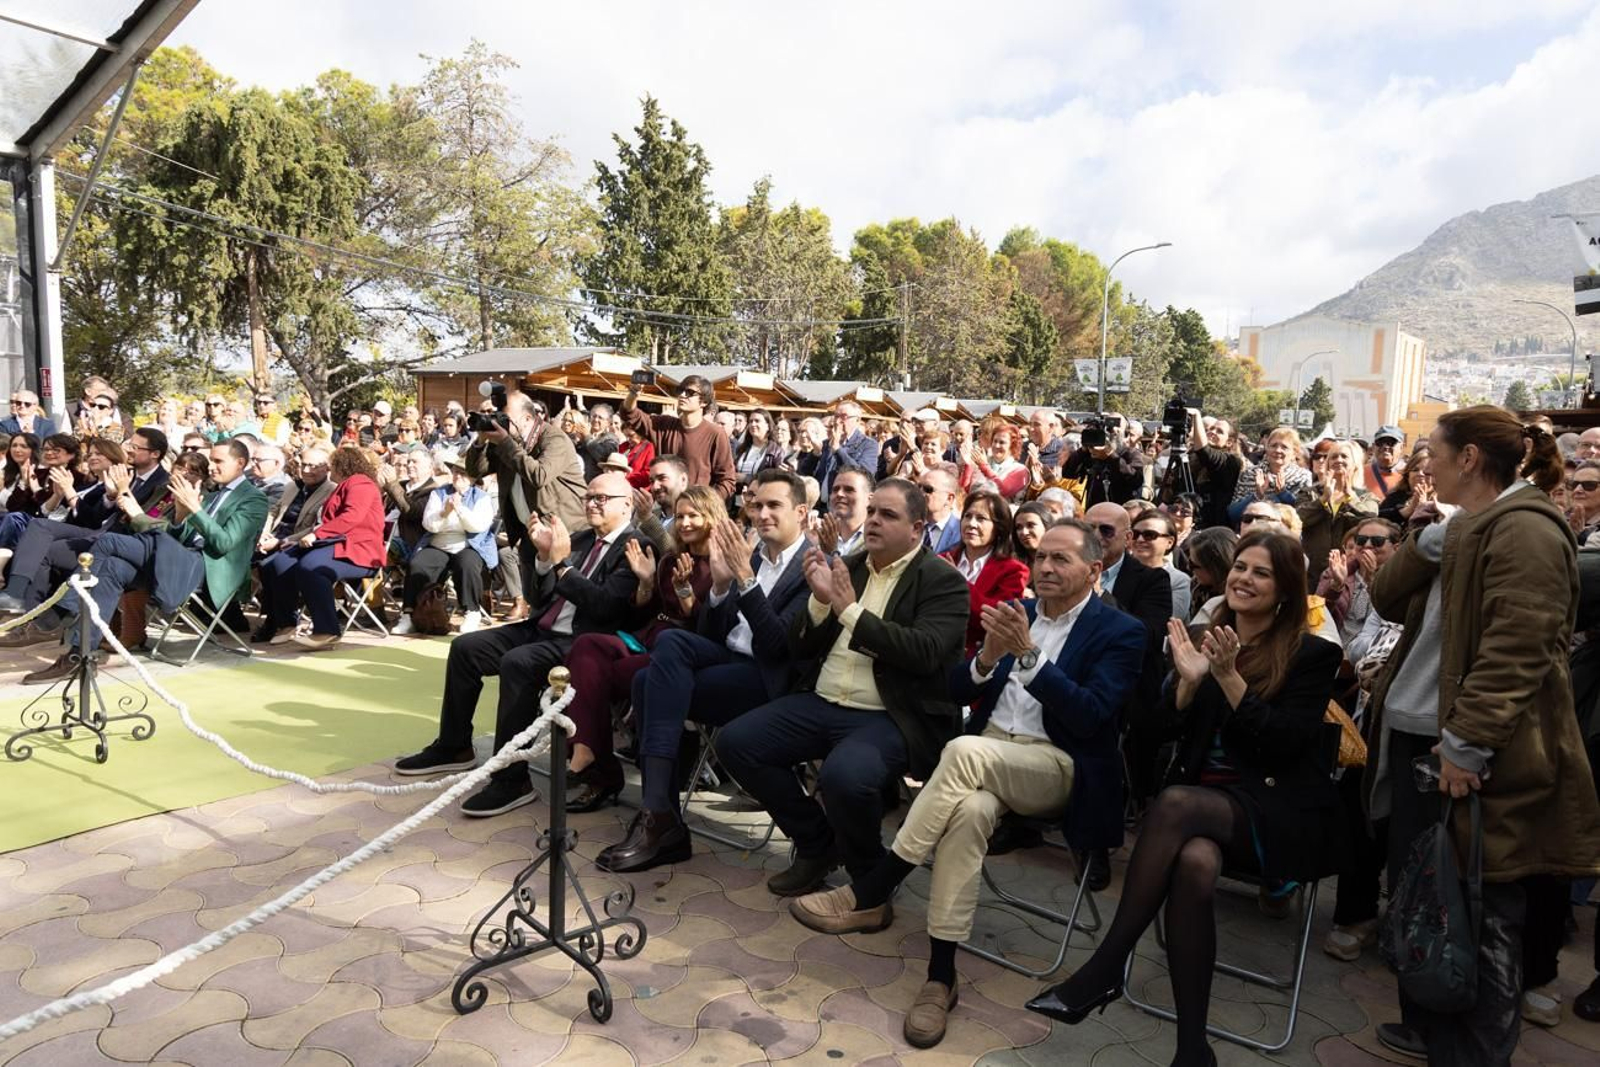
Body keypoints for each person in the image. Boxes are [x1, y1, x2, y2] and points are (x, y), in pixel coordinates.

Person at [788, 521, 1146, 1048]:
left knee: (963, 751)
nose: (1045, 567)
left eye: (1061, 560)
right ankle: (940, 976)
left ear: (1094, 570)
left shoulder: (1121, 632)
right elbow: (954, 687)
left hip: (1056, 765)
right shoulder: (1018, 613)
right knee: (970, 811)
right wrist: (985, 660)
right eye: (1041, 556)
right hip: (984, 757)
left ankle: (876, 884)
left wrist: (1028, 656)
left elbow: (1092, 717)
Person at [1028, 531, 1345, 1067]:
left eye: (1261, 572)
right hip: (1202, 810)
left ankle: (1106, 966)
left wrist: (1229, 680)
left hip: (1273, 812)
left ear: (1287, 590)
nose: (1243, 578)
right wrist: (1189, 685)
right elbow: (1147, 733)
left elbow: (1288, 746)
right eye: (1240, 567)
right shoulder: (1201, 637)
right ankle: (1193, 1049)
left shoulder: (1314, 654)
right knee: (1195, 861)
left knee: (1175, 803)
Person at [1363, 407, 1600, 1062]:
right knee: (1429, 905)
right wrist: (1425, 543)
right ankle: (1430, 1034)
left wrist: (1465, 742)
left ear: (1468, 458)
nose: (1425, 464)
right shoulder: (1460, 527)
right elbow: (1384, 596)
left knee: (1480, 919)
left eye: (1434, 452)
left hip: (1472, 757)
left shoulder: (1524, 529)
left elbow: (1518, 647)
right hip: (1422, 741)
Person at [714, 479, 970, 895]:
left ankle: (870, 878)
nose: (873, 521)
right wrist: (818, 603)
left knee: (843, 776)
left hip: (892, 716)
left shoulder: (942, 580)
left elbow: (923, 652)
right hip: (823, 701)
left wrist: (848, 611)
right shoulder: (848, 566)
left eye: (888, 515)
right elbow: (795, 648)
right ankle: (818, 845)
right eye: (871, 512)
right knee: (737, 741)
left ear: (917, 528)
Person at [597, 470, 814, 873]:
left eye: (774, 506)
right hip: (726, 659)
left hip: (768, 678)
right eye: (757, 505)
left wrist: (744, 584)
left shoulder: (811, 565)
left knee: (647, 682)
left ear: (801, 512)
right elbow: (713, 632)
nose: (762, 514)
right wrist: (717, 589)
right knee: (669, 646)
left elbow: (777, 646)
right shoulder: (748, 556)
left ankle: (659, 816)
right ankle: (659, 814)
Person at [394, 472, 646, 816]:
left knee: (519, 663)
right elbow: (539, 599)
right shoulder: (582, 539)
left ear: (627, 503)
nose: (591, 504)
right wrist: (543, 560)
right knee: (466, 648)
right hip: (542, 628)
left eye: (601, 498)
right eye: (588, 497)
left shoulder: (635, 546)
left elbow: (605, 608)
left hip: (584, 643)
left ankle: (511, 780)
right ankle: (454, 746)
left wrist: (560, 563)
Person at [21, 442, 268, 683]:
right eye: (211, 459)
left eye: (217, 461)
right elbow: (178, 536)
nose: (211, 466)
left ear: (240, 463)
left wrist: (194, 508)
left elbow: (224, 543)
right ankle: (78, 655)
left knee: (109, 542)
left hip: (207, 570)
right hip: (179, 559)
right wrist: (182, 515)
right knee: (111, 568)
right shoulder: (212, 494)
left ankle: (59, 612)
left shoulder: (254, 499)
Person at [559, 485, 723, 812]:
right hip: (646, 638)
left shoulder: (722, 564)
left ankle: (601, 770)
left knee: (595, 676)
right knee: (587, 646)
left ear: (712, 517)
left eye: (694, 515)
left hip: (682, 652)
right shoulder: (669, 559)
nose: (685, 522)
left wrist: (686, 591)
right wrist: (646, 584)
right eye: (680, 516)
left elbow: (710, 627)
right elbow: (639, 615)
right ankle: (588, 751)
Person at [0, 432, 170, 625]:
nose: (129, 450)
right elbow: (98, 515)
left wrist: (120, 491)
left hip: (123, 545)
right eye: (129, 445)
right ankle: (25, 609)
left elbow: (145, 523)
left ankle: (44, 624)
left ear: (155, 453)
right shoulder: (126, 475)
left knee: (40, 533)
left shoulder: (163, 483)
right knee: (40, 535)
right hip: (99, 532)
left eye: (136, 447)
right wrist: (110, 496)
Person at [254, 446, 387, 650]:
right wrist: (296, 539)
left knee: (312, 566)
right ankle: (287, 623)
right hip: (336, 544)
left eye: (330, 466)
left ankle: (327, 630)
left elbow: (351, 517)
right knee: (280, 561)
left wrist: (317, 534)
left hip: (360, 552)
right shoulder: (345, 485)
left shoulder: (361, 484)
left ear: (342, 466)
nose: (328, 470)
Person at [465, 390, 587, 603]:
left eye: (506, 419)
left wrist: (505, 443)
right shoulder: (509, 441)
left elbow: (539, 475)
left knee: (563, 598)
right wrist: (480, 441)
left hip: (566, 532)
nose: (500, 423)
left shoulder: (554, 438)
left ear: (528, 418)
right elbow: (475, 471)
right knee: (536, 599)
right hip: (531, 531)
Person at [393, 458, 497, 636]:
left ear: (472, 478)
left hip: (468, 545)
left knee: (468, 564)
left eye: (463, 473)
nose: (457, 476)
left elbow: (478, 526)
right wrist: (445, 512)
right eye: (455, 472)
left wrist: (460, 510)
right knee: (418, 564)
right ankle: (409, 614)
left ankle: (471, 611)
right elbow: (429, 525)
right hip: (438, 544)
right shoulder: (438, 493)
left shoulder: (482, 497)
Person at [941, 489, 1030, 659]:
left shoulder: (1013, 571)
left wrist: (957, 583)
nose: (971, 524)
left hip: (976, 661)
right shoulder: (942, 560)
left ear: (999, 528)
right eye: (967, 516)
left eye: (981, 518)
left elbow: (997, 619)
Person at [621, 374, 736, 499]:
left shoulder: (715, 434)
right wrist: (633, 393)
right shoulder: (663, 425)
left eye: (690, 392)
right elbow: (630, 415)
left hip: (695, 510)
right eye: (680, 391)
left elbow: (727, 481)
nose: (682, 395)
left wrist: (705, 504)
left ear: (704, 402)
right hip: (663, 506)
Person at [1296, 439, 1377, 585]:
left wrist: (1350, 497)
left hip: (1348, 575)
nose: (1338, 460)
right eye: (1333, 457)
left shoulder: (1366, 497)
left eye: (1344, 456)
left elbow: (1371, 520)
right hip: (1310, 575)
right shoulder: (1310, 493)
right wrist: (1323, 499)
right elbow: (1297, 520)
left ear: (1355, 464)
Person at [1228, 427, 1311, 523]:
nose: (1278, 450)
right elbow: (1232, 514)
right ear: (1266, 448)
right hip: (1251, 532)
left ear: (1294, 453)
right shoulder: (1250, 474)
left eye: (1284, 447)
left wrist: (1283, 494)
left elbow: (1303, 515)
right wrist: (1256, 495)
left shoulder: (1302, 477)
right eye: (1273, 446)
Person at [1059, 416, 1145, 507]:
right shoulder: (1091, 454)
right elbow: (1068, 473)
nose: (1109, 432)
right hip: (1093, 510)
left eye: (1112, 428)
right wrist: (1083, 450)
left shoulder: (1130, 453)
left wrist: (1111, 456)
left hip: (1120, 510)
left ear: (1125, 434)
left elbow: (1136, 480)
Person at [1130, 509, 1191, 622]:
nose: (1140, 539)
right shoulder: (1115, 570)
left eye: (1149, 535)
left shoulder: (1178, 581)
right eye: (1135, 534)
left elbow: (1165, 622)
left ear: (1170, 542)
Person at [814, 400, 881, 499]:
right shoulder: (826, 443)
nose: (837, 421)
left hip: (845, 502)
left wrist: (838, 450)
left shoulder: (868, 444)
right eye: (836, 416)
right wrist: (813, 454)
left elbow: (865, 475)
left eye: (844, 417)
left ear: (857, 420)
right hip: (822, 505)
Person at [1178, 526, 1236, 621]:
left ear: (1215, 569)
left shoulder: (1236, 602)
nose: (1188, 568)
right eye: (1189, 561)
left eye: (1193, 565)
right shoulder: (1195, 588)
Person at [812, 466, 871, 558]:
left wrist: (831, 552)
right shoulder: (818, 535)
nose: (839, 494)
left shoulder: (876, 539)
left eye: (849, 490)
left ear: (869, 499)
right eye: (835, 490)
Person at [968, 415, 1027, 501]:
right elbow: (967, 490)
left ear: (1012, 445)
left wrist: (984, 467)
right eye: (995, 441)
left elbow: (1002, 491)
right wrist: (968, 464)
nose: (996, 445)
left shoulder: (1020, 469)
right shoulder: (984, 462)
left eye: (1002, 442)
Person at [732, 407, 785, 499]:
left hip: (761, 499)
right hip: (737, 499)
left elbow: (776, 479)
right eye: (751, 421)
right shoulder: (741, 449)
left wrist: (746, 478)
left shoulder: (776, 452)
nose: (753, 424)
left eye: (757, 421)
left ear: (768, 425)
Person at [1378, 445, 1433, 526]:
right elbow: (1378, 520)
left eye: (1427, 471)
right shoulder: (1395, 497)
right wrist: (1409, 510)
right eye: (1415, 470)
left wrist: (1423, 507)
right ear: (1408, 475)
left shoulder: (1444, 501)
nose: (1420, 474)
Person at [914, 466, 963, 555]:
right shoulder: (909, 526)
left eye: (928, 489)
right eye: (918, 487)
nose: (920, 493)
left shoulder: (961, 533)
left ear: (949, 498)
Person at [0, 433, 44, 517]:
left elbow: (15, 507)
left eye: (23, 446)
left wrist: (2, 490)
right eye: (14, 445)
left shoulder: (40, 473)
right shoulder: (5, 471)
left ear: (33, 450)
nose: (17, 450)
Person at [1362, 426, 1406, 498]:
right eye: (1380, 442)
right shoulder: (1361, 473)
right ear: (1373, 447)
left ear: (1401, 447)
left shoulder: (1409, 473)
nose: (1385, 447)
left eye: (1391, 442)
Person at [1011, 501, 1053, 569]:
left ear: (1046, 526)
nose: (1024, 532)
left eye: (1030, 525)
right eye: (1019, 527)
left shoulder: (1061, 562)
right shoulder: (1012, 564)